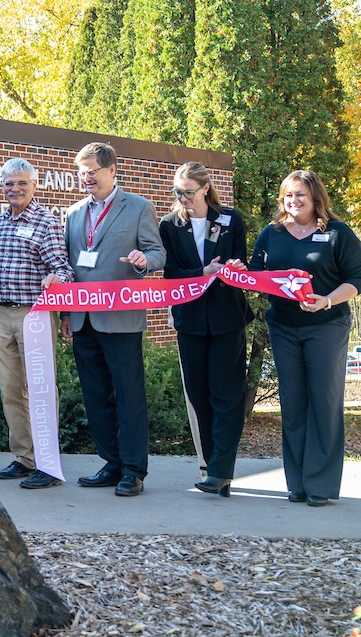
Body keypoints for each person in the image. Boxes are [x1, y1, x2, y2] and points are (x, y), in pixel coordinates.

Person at [250, 170, 361, 507]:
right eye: (288, 195)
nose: (293, 201)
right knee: (293, 404)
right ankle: (297, 483)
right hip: (283, 327)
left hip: (327, 326)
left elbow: (356, 279)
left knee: (324, 403)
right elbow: (257, 274)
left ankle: (321, 485)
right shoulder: (272, 233)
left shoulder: (337, 233)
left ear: (315, 198)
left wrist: (327, 300)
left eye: (300, 195)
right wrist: (241, 272)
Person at [62, 142, 165, 497]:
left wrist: (143, 260)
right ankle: (111, 463)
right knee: (95, 396)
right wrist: (65, 313)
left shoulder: (138, 207)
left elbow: (157, 252)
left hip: (121, 318)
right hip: (82, 319)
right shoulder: (74, 213)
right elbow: (69, 265)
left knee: (129, 395)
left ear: (111, 171)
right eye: (82, 172)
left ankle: (134, 470)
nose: (86, 177)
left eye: (92, 170)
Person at [159, 162, 252, 498]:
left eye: (188, 191)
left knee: (226, 396)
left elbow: (242, 263)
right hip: (191, 322)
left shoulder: (230, 220)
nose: (182, 197)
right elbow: (170, 272)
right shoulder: (170, 225)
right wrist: (202, 271)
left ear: (205, 189)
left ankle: (220, 472)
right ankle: (214, 467)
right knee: (199, 396)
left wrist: (234, 268)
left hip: (227, 319)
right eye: (177, 192)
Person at [0, 158, 73, 489]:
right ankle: (24, 456)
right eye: (9, 183)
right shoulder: (2, 222)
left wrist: (56, 278)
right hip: (4, 314)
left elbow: (64, 269)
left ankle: (47, 464)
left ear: (34, 185)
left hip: (35, 314)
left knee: (39, 389)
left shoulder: (46, 222)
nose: (15, 189)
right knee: (10, 389)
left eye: (21, 183)